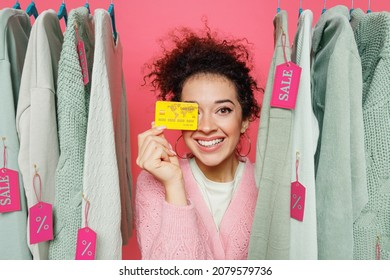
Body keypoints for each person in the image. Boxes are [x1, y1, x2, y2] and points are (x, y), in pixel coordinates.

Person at [135, 26, 261, 259]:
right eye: (194, 112)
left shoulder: (268, 185)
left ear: (244, 120)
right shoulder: (153, 183)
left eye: (223, 110)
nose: (206, 127)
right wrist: (173, 185)